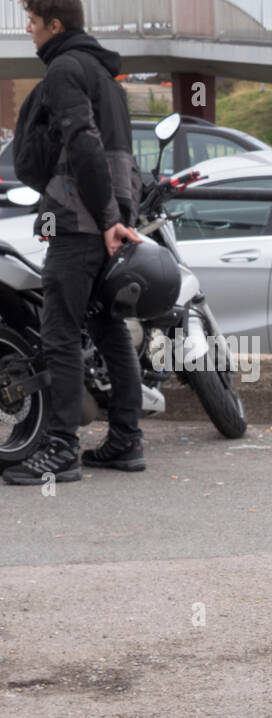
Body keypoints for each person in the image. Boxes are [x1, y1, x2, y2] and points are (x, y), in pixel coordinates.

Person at [4, 0, 143, 487]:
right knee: (108, 326)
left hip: (82, 221)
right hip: (112, 216)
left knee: (60, 333)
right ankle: (127, 439)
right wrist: (122, 215)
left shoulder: (65, 69)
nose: (27, 29)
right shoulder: (105, 76)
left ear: (55, 24)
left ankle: (61, 450)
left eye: (32, 21)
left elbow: (83, 142)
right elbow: (120, 153)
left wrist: (105, 218)